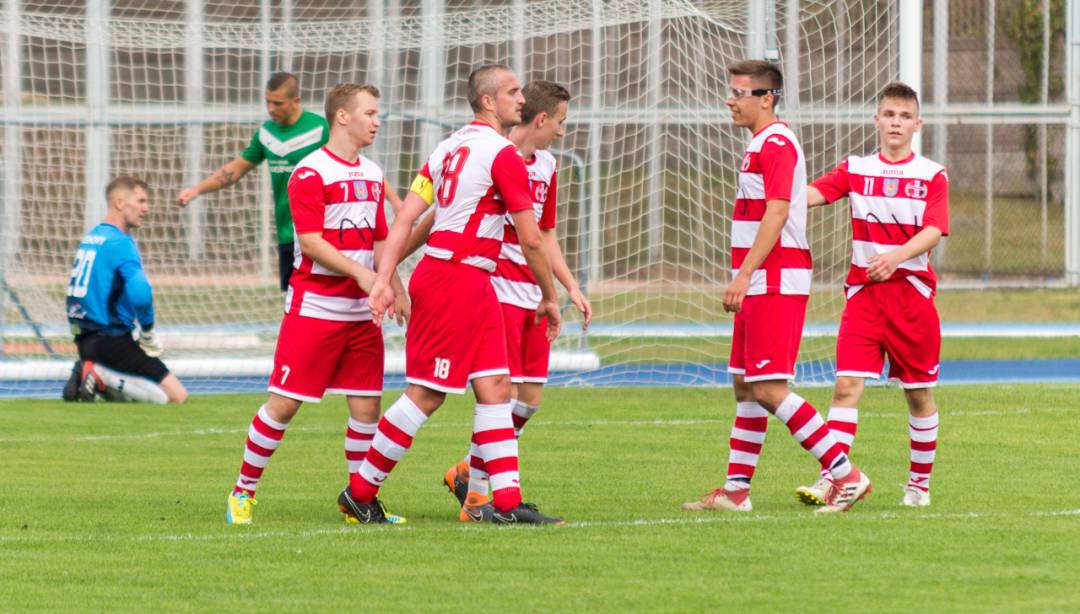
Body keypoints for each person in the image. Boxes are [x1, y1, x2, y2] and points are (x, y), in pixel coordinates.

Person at [341, 64, 564, 525]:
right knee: (427, 394)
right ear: (488, 102)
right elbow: (532, 239)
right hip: (453, 280)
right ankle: (359, 492)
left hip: (468, 280)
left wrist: (386, 277)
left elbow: (406, 219)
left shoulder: (447, 148)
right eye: (513, 91)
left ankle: (502, 504)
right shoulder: (502, 154)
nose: (522, 99)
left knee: (496, 387)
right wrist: (551, 295)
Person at [681, 60, 870, 514]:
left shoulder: (778, 142)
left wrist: (744, 274)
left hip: (776, 278)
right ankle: (735, 492)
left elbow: (779, 212)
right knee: (746, 386)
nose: (730, 100)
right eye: (731, 91)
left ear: (766, 98)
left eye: (739, 92)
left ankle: (846, 475)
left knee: (768, 388)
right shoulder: (759, 144)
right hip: (763, 278)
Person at [223, 83, 408, 525]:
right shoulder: (309, 172)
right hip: (316, 310)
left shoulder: (373, 173)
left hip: (363, 314)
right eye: (369, 112)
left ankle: (359, 502)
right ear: (342, 116)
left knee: (367, 409)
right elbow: (310, 241)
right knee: (284, 405)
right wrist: (363, 275)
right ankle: (242, 492)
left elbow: (383, 239)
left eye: (377, 113)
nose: (377, 120)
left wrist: (395, 285)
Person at [439, 81, 592, 518]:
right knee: (498, 395)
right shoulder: (493, 154)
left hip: (534, 293)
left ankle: (469, 471)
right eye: (560, 122)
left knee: (529, 400)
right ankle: (478, 498)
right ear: (541, 119)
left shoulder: (546, 164)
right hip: (498, 290)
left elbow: (544, 234)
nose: (563, 132)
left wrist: (570, 286)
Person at [795, 81, 948, 508]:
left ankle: (918, 487)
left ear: (917, 124)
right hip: (864, 297)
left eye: (904, 116)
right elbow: (814, 193)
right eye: (889, 114)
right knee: (845, 387)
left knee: (917, 394)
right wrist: (777, 190)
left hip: (912, 299)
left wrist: (897, 257)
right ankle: (834, 479)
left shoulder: (931, 174)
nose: (896, 122)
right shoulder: (856, 167)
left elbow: (934, 229)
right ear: (876, 119)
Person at [177, 73, 402, 291]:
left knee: (333, 295)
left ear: (296, 101)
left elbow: (362, 169)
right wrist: (197, 189)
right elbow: (236, 169)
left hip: (325, 232)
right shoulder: (266, 134)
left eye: (278, 103)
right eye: (268, 102)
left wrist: (395, 202)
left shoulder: (320, 128)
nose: (271, 109)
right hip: (289, 231)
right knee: (295, 298)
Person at [63, 176, 188, 404]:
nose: (146, 208)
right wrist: (148, 331)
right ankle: (97, 374)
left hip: (84, 339)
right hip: (111, 339)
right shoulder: (120, 242)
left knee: (133, 398)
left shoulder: (92, 237)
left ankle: (94, 375)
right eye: (140, 201)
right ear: (120, 203)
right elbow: (141, 292)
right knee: (176, 396)